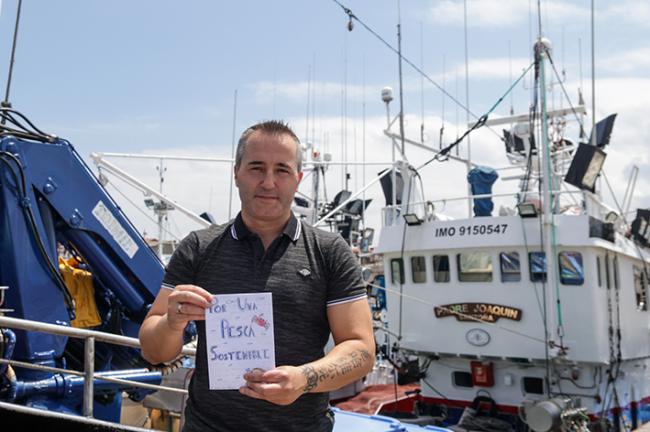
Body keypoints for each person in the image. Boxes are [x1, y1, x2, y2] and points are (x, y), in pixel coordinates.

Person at [139, 120, 375, 432]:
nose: (268, 182)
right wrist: (172, 322)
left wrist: (304, 379)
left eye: (282, 170)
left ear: (298, 179)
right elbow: (154, 351)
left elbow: (361, 349)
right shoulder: (198, 248)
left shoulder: (330, 251)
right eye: (256, 168)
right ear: (236, 173)